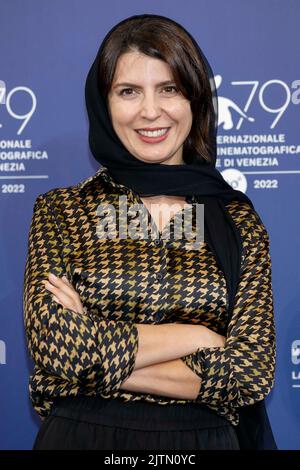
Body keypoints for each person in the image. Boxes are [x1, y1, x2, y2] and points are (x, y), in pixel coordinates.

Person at [23, 13, 277, 450]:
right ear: (104, 104)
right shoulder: (62, 210)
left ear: (195, 99)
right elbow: (56, 348)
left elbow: (250, 372)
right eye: (128, 91)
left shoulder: (237, 219)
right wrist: (200, 337)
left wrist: (92, 351)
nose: (150, 111)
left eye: (169, 89)